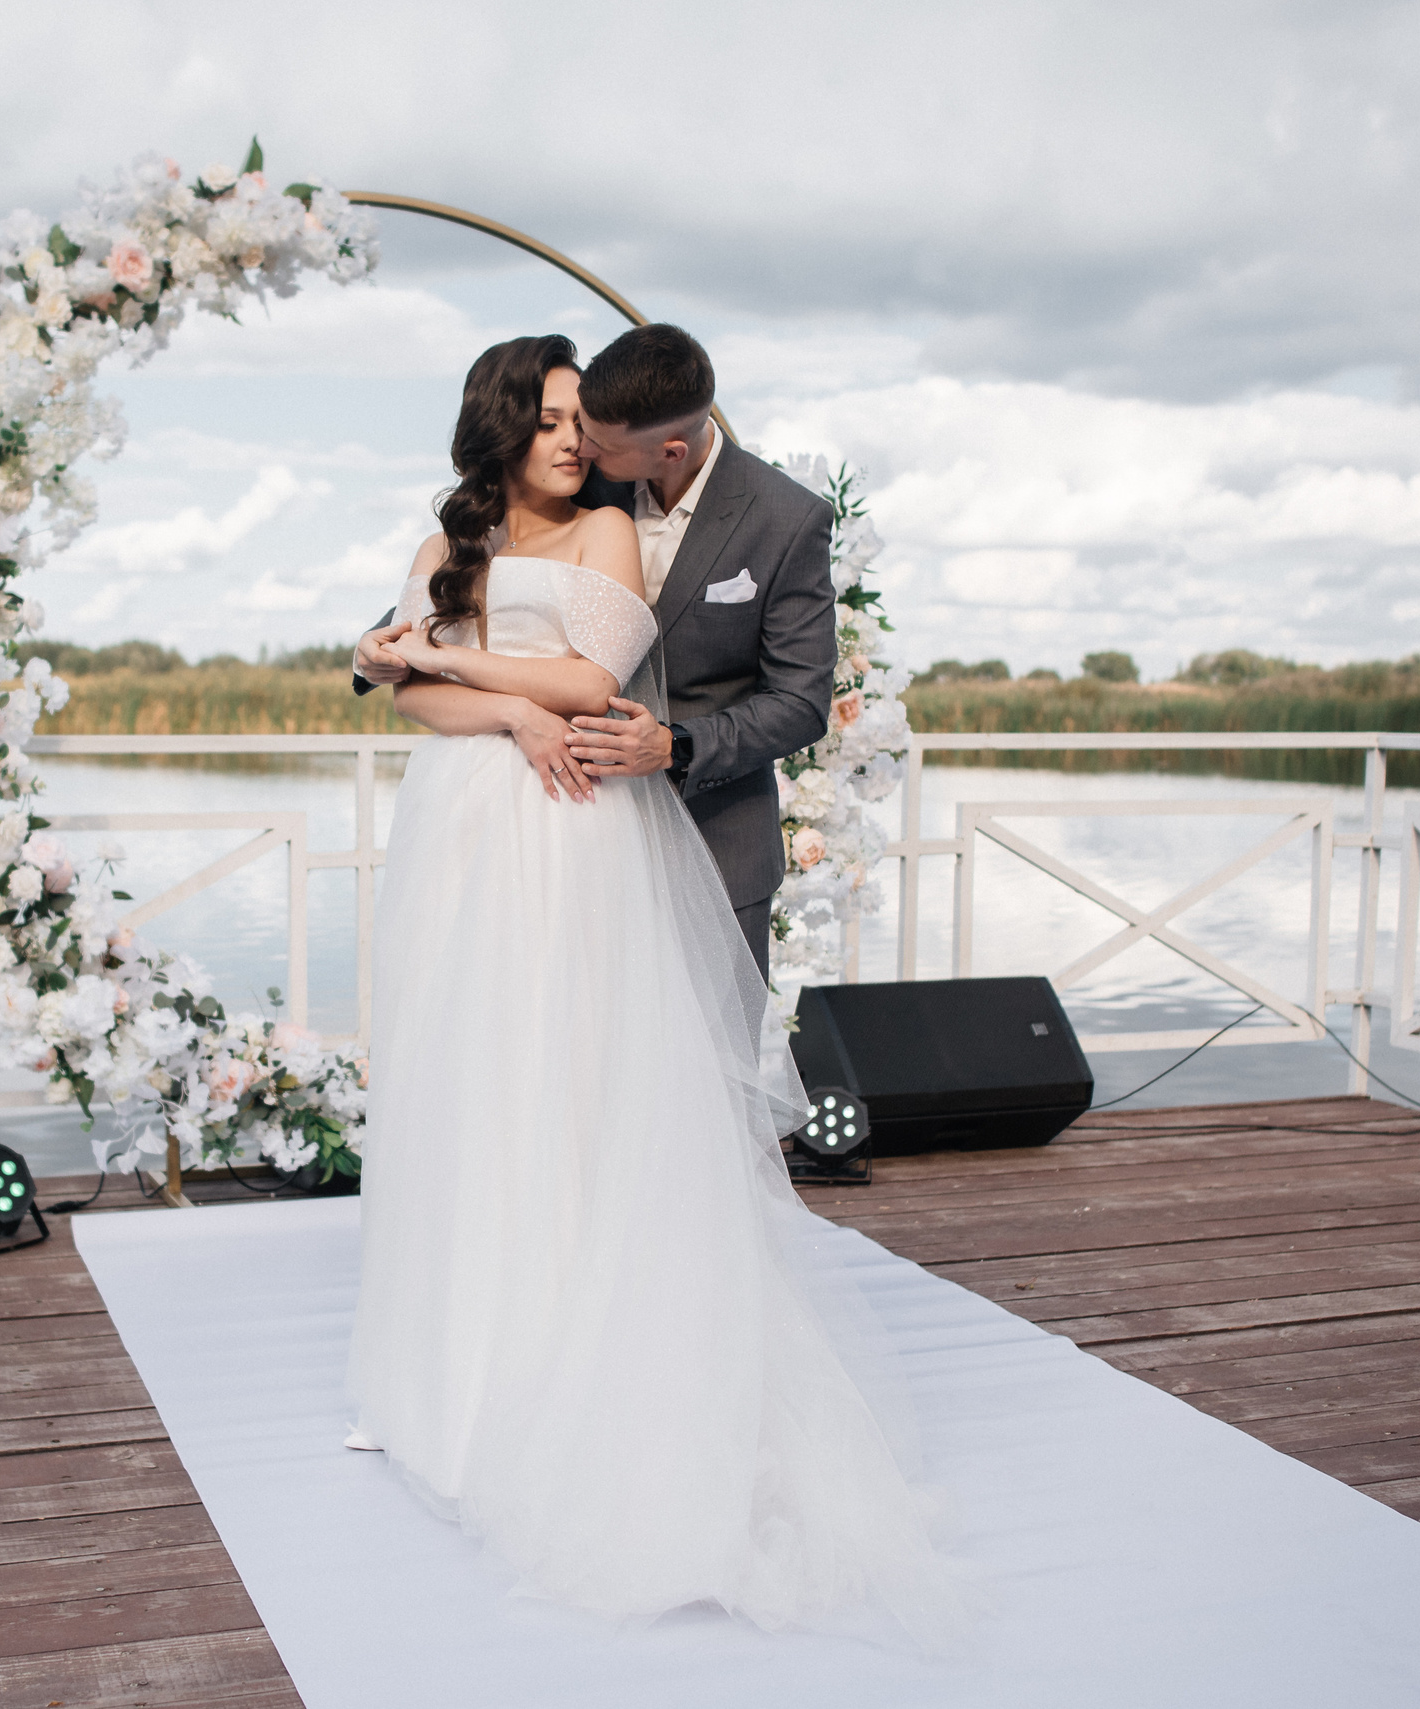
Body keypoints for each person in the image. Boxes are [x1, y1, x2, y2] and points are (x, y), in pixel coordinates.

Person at [345, 334, 960, 1639]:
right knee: (474, 1084)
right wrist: (488, 708)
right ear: (506, 425)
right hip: (463, 834)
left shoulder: (618, 530)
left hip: (582, 832)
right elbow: (400, 691)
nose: (574, 442)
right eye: (554, 419)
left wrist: (457, 669)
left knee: (592, 1084)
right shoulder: (455, 530)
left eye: (587, 423)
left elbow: (585, 682)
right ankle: (449, 1381)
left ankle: (596, 1371)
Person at [351, 322, 838, 976]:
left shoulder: (784, 519)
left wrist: (677, 744)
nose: (579, 446)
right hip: (558, 822)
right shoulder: (580, 482)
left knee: (709, 1068)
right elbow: (462, 600)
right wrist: (370, 651)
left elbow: (802, 702)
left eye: (594, 437)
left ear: (667, 449)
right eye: (568, 425)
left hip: (710, 828)